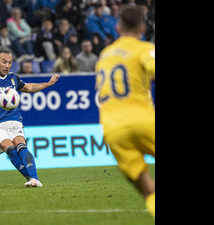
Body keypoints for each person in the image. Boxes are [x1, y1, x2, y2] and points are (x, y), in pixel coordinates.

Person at [95, 5, 155, 217]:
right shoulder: (144, 49)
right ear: (141, 27)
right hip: (144, 121)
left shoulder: (104, 55)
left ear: (118, 27)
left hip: (113, 129)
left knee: (147, 189)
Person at [0, 47, 60, 187]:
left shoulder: (13, 78)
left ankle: (34, 179)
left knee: (21, 145)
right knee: (9, 148)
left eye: (9, 62)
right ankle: (31, 178)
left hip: (15, 120)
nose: (7, 65)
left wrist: (48, 83)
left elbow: (29, 88)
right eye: (4, 62)